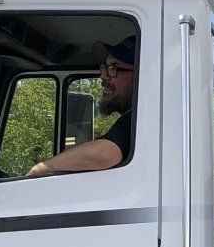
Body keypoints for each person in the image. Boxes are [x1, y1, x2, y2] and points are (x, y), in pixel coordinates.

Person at [26, 35, 137, 175]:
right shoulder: (133, 120)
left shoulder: (141, 120)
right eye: (105, 68)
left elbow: (105, 154)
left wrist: (42, 168)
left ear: (140, 75)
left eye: (113, 69)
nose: (103, 76)